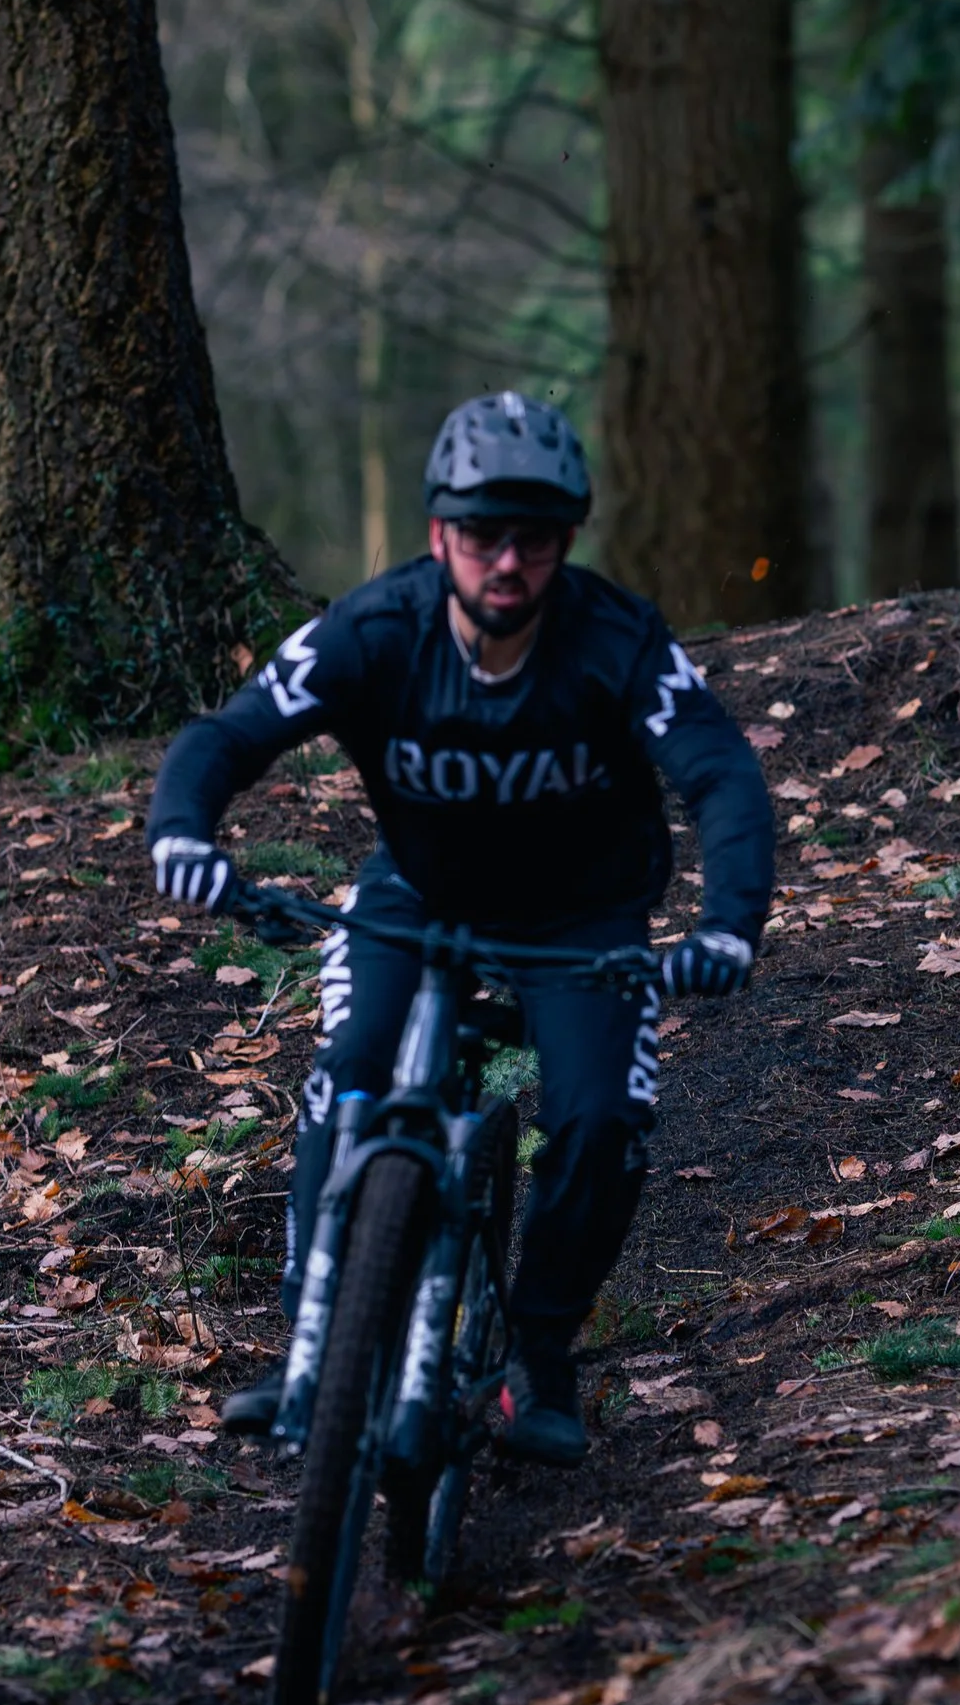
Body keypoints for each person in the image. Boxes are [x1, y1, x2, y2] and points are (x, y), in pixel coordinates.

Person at [147, 391, 775, 1465]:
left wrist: (727, 926)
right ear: (439, 534)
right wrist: (184, 835)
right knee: (349, 1067)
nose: (507, 561)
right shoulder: (372, 631)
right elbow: (231, 734)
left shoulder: (615, 643)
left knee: (597, 1125)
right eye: (481, 533)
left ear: (565, 541)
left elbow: (721, 776)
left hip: (584, 918)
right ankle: (310, 1343)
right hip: (417, 895)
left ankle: (538, 1352)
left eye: (533, 537)